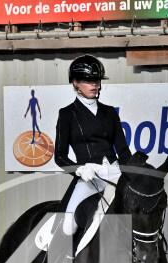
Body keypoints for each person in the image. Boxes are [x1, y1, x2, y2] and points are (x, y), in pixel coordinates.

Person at [54, 54, 132, 238]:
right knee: (68, 226)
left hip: (114, 174)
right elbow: (59, 156)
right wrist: (79, 170)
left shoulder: (110, 112)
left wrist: (132, 173)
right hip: (89, 176)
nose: (95, 85)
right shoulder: (67, 114)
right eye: (89, 81)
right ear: (75, 83)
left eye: (96, 81)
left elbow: (123, 150)